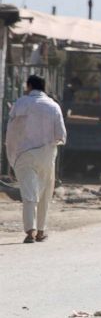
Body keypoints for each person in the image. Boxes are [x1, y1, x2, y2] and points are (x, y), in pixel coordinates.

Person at [5, 75, 66, 243]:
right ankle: (40, 231)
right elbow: (61, 135)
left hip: (23, 154)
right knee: (45, 192)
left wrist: (12, 156)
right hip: (46, 153)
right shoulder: (53, 106)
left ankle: (30, 231)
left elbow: (11, 132)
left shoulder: (20, 103)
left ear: (29, 86)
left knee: (28, 193)